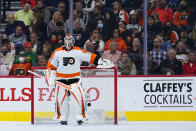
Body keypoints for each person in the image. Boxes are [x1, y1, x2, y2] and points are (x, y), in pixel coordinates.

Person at [46, 33, 112, 125]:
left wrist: (100, 61)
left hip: (75, 80)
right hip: (61, 81)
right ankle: (62, 117)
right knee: (60, 100)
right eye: (67, 40)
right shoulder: (57, 52)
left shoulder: (78, 51)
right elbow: (50, 66)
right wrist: (50, 77)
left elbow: (90, 56)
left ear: (73, 41)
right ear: (64, 41)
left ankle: (80, 117)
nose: (69, 42)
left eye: (70, 40)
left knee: (79, 99)